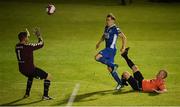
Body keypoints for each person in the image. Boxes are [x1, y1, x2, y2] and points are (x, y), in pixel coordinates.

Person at [15, 28, 53, 100]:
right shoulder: (28, 47)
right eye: (27, 37)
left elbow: (23, 46)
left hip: (22, 70)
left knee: (30, 76)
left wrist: (26, 35)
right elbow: (41, 44)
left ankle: (27, 94)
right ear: (24, 38)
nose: (28, 38)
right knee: (48, 76)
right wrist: (38, 36)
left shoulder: (16, 46)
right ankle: (45, 96)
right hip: (30, 69)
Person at [95, 13, 127, 90]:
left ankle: (114, 65)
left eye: (109, 20)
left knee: (97, 57)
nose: (107, 21)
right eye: (107, 20)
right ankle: (120, 83)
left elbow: (124, 37)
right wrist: (99, 43)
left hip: (111, 49)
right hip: (109, 50)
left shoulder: (116, 28)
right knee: (110, 69)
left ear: (113, 21)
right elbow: (104, 36)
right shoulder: (106, 27)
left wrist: (123, 47)